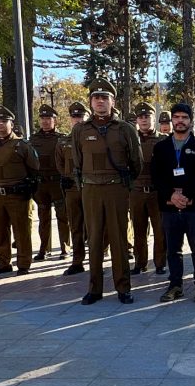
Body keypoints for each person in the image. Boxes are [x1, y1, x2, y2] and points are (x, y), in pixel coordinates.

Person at [72, 78, 143, 305]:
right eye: (96, 98)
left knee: (119, 239)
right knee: (93, 240)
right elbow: (77, 162)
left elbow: (136, 163)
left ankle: (123, 287)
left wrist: (123, 184)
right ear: (91, 102)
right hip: (91, 189)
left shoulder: (125, 129)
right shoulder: (80, 130)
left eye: (105, 98)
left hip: (116, 189)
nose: (100, 101)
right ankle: (95, 289)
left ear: (113, 101)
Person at [152, 103, 195, 302]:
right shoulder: (161, 147)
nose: (179, 121)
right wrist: (171, 196)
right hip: (168, 207)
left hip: (193, 206)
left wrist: (186, 196)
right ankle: (175, 285)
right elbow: (157, 176)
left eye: (184, 117)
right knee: (173, 249)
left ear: (190, 121)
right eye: (176, 117)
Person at [0, 106, 40, 276]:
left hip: (18, 195)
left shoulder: (22, 145)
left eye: (4, 121)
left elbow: (34, 169)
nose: (0, 124)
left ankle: (23, 263)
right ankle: (3, 262)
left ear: (11, 124)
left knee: (21, 231)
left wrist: (28, 188)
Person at [130, 102, 167, 275]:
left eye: (147, 117)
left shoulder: (164, 140)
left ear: (154, 118)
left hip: (156, 192)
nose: (144, 120)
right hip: (136, 192)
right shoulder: (130, 140)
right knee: (138, 230)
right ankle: (140, 263)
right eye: (140, 117)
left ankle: (160, 263)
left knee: (160, 230)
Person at [30, 104, 70, 261]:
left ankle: (65, 248)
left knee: (62, 217)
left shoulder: (62, 138)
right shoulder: (33, 139)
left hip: (57, 182)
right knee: (43, 218)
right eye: (43, 118)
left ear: (55, 121)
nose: (45, 122)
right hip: (41, 184)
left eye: (49, 118)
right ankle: (43, 249)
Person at [55, 101, 89, 275]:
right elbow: (60, 164)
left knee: (97, 226)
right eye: (74, 117)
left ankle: (99, 258)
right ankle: (77, 260)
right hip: (72, 189)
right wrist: (69, 178)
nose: (78, 120)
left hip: (91, 188)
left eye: (81, 116)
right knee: (75, 226)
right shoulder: (63, 142)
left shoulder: (93, 139)